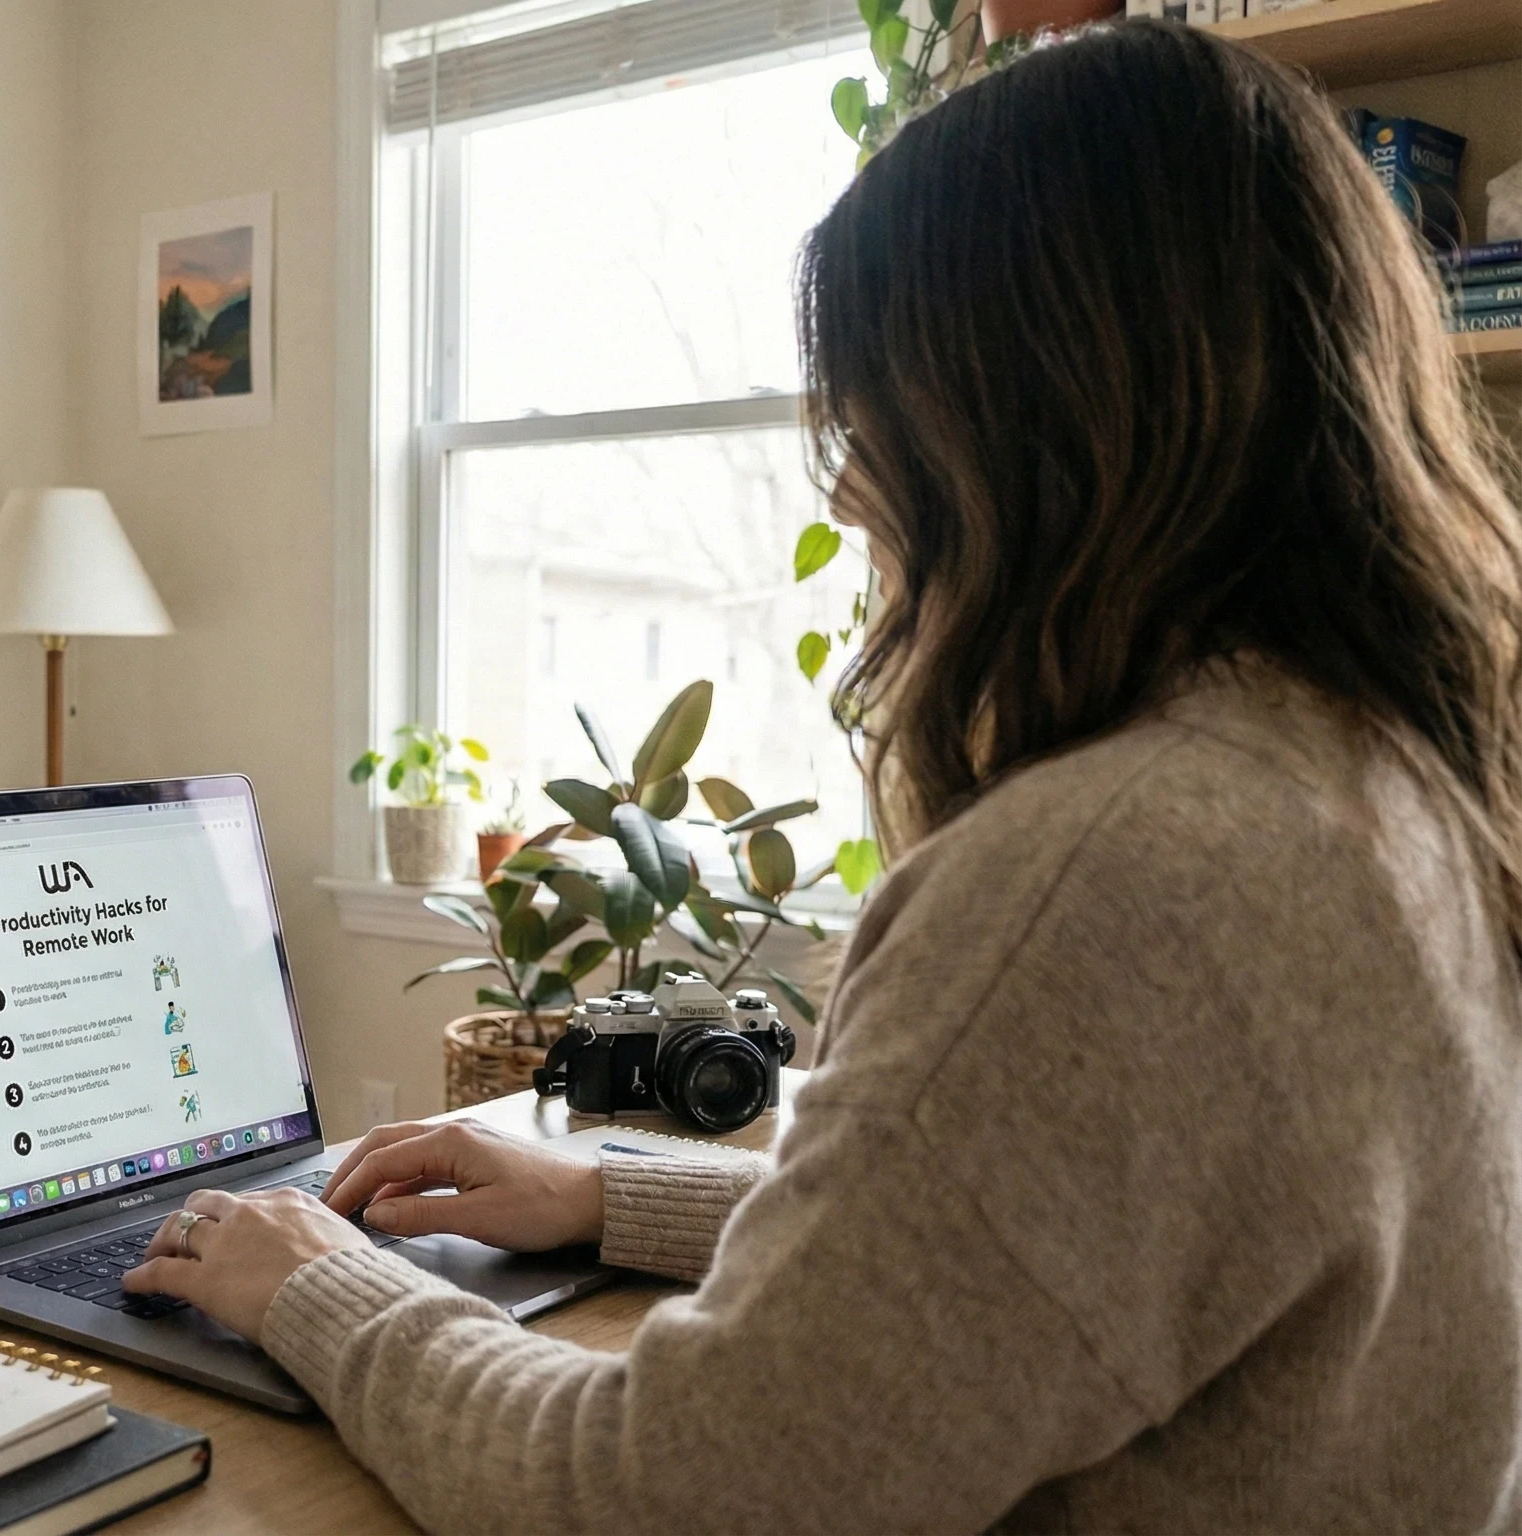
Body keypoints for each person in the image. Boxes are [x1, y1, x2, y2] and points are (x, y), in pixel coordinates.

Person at [122, 22, 1522, 1532]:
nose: (852, 485)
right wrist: (617, 1194)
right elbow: (1053, 1259)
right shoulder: (1388, 785)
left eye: (876, 415)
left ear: (1030, 415)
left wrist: (324, 1290)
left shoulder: (1115, 876)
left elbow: (662, 1497)